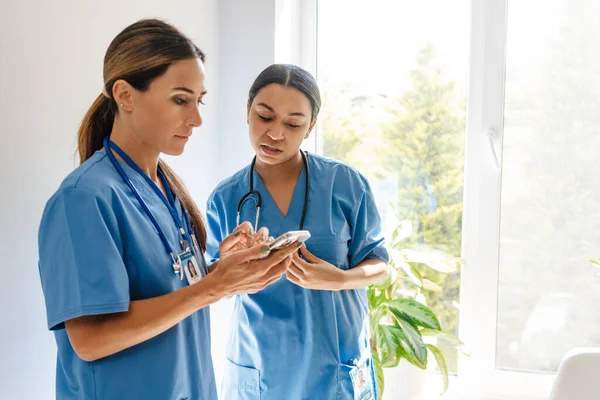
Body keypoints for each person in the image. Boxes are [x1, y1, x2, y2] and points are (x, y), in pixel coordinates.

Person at [37, 20, 299, 400]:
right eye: (180, 99)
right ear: (125, 95)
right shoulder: (84, 199)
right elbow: (90, 339)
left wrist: (221, 272)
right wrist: (212, 287)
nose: (196, 118)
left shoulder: (165, 188)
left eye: (199, 100)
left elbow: (168, 291)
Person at [206, 64, 390, 399]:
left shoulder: (345, 184)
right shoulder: (226, 197)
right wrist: (227, 268)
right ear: (247, 111)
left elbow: (379, 263)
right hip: (259, 367)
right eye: (264, 117)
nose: (275, 134)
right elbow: (212, 287)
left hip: (333, 364)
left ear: (310, 127)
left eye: (293, 124)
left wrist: (339, 279)